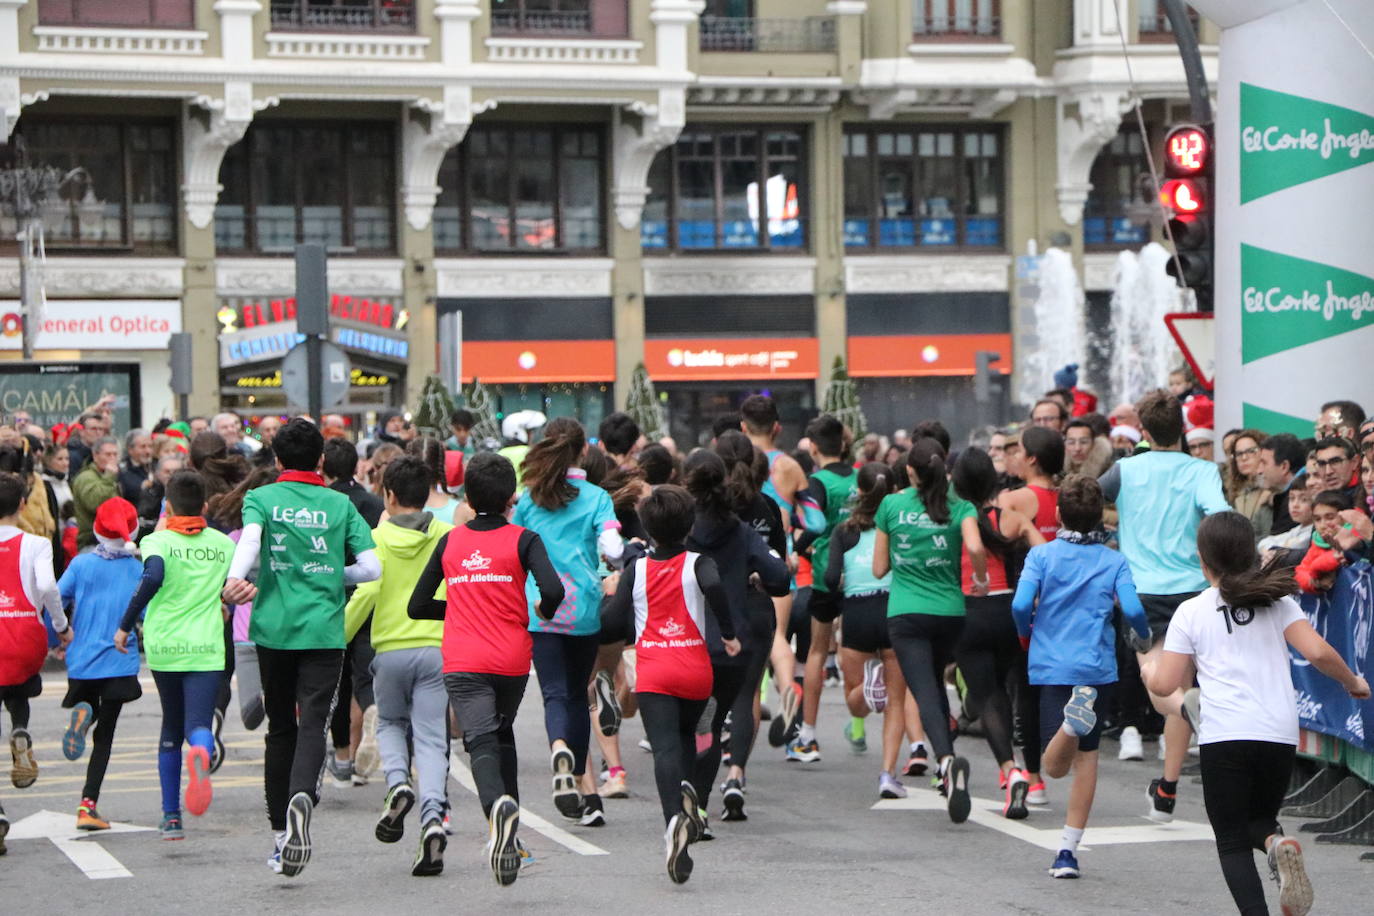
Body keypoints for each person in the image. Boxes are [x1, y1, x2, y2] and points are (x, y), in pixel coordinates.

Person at [1143, 512, 1370, 916]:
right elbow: (1316, 652)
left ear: (1201, 558)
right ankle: (1275, 842)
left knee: (1230, 839)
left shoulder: (1192, 611)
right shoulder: (1278, 602)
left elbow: (1165, 685)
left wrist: (1148, 669)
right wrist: (1352, 681)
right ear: (1250, 552)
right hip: (1279, 734)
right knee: (1259, 821)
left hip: (1224, 734)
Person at [221, 418, 379, 877]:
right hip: (324, 632)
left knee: (279, 730)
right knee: (313, 725)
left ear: (275, 459)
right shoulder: (339, 503)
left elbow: (250, 540)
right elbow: (370, 569)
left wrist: (236, 578)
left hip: (272, 630)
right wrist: (334, 574)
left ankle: (279, 834)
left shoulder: (261, 498)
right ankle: (301, 802)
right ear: (322, 461)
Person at [409, 452, 564, 885]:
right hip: (512, 659)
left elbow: (417, 605)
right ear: (512, 496)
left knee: (479, 743)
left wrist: (460, 608)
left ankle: (498, 816)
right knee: (501, 732)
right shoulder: (524, 539)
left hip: (465, 658)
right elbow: (552, 588)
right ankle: (513, 841)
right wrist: (544, 609)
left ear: (468, 495)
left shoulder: (451, 541)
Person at [1098, 389, 1229, 822]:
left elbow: (1086, 500)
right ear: (1184, 429)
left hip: (1143, 592)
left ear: (1144, 430)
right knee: (1183, 687)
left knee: (1160, 688)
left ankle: (1195, 714)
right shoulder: (1203, 470)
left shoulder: (1125, 469)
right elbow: (1220, 515)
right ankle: (1166, 791)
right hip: (1196, 591)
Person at [1012, 475, 1151, 878]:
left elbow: (1021, 605)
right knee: (1086, 763)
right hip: (1096, 666)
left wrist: (1027, 633)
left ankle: (1071, 726)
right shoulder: (1113, 558)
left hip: (1052, 663)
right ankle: (1068, 852)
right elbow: (1135, 610)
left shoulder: (1041, 556)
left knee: (1054, 768)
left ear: (1057, 515)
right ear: (1099, 520)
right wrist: (1142, 637)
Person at [602, 484, 738, 884]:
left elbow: (612, 622)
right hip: (696, 670)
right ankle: (692, 792)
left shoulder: (636, 570)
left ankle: (673, 824)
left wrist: (609, 597)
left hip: (655, 672)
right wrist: (728, 631)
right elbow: (715, 587)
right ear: (689, 524)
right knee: (688, 738)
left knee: (664, 748)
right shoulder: (699, 563)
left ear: (646, 527)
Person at [342, 456, 453, 876]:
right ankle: (432, 819)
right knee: (431, 739)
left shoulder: (378, 538)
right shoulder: (446, 534)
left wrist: (337, 638)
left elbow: (365, 596)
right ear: (426, 496)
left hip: (388, 650)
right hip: (438, 649)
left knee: (389, 724)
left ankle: (397, 784)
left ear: (387, 495)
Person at [511, 417, 622, 826]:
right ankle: (581, 782)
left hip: (541, 610)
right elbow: (611, 546)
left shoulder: (529, 499)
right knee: (579, 693)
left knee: (556, 694)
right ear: (585, 452)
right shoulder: (596, 498)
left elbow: (514, 549)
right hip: (584, 611)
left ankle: (560, 748)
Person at [115, 471, 235, 839]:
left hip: (166, 645)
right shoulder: (223, 544)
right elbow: (230, 589)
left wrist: (125, 624)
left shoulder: (158, 540)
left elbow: (152, 578)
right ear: (203, 506)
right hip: (207, 646)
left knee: (170, 727)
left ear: (168, 505)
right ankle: (201, 748)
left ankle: (171, 818)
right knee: (198, 724)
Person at [874, 437, 988, 824]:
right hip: (950, 611)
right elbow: (974, 547)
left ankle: (946, 761)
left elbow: (877, 569)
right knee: (936, 686)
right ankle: (946, 761)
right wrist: (981, 578)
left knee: (922, 690)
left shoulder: (892, 505)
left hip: (906, 612)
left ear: (909, 471)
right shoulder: (961, 506)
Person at [684, 448, 788, 829]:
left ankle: (688, 803)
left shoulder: (684, 527)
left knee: (694, 725)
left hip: (688, 637)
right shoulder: (741, 531)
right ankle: (726, 784)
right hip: (733, 639)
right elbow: (779, 578)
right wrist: (756, 574)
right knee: (736, 706)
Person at [951, 447, 1046, 816]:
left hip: (968, 609)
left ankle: (1010, 771)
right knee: (1009, 689)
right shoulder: (1012, 518)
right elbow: (1047, 556)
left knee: (987, 694)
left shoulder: (954, 520)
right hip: (1009, 611)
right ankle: (1031, 775)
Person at [823, 462, 914, 799]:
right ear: (892, 492)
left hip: (858, 613)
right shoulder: (899, 526)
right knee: (896, 701)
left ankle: (867, 689)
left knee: (856, 703)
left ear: (858, 491)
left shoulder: (844, 531)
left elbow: (831, 579)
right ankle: (888, 774)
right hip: (894, 608)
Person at [56, 497, 144, 831]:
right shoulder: (138, 570)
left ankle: (81, 715)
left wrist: (61, 632)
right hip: (119, 660)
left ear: (96, 529)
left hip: (81, 658)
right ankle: (87, 805)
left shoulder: (80, 564)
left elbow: (57, 598)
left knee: (88, 705)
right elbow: (150, 613)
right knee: (105, 736)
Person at [789, 414, 856, 764]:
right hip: (864, 575)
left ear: (813, 448)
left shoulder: (817, 483)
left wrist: (794, 550)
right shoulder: (863, 478)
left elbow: (813, 528)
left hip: (825, 575)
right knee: (866, 652)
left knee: (817, 651)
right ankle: (860, 725)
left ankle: (809, 735)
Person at [0, 472, 68, 804]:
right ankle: (20, 729)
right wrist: (60, 623)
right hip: (25, 632)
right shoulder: (36, 544)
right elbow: (46, 586)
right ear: (23, 505)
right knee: (17, 686)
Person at [1000, 426, 1064, 542]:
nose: (1016, 457)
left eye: (1019, 451)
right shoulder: (1071, 498)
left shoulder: (1010, 500)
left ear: (1031, 459)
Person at [72, 436, 120, 549]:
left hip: (112, 541)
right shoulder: (86, 477)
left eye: (115, 454)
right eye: (108, 454)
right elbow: (95, 503)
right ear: (95, 456)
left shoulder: (111, 477)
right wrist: (109, 478)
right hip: (92, 542)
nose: (112, 459)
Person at [1224, 429, 1273, 539]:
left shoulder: (1274, 490)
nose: (1244, 458)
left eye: (1251, 451)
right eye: (1239, 454)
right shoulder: (1235, 494)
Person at [1257, 434, 1307, 537]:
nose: (1259, 471)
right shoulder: (1285, 497)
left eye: (1264, 463)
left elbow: (1277, 547)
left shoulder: (1300, 497)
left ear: (1284, 466)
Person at [117, 429, 155, 505]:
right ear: (130, 449)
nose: (148, 451)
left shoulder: (155, 466)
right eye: (142, 447)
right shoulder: (122, 470)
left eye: (150, 446)